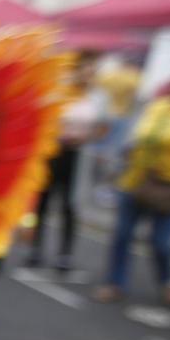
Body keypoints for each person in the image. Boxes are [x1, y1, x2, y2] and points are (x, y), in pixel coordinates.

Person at [93, 85, 170, 306]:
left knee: (161, 243)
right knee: (122, 234)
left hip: (169, 188)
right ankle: (115, 283)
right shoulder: (157, 107)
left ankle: (168, 282)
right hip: (135, 181)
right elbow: (134, 136)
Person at [26, 52, 106, 272]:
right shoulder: (59, 93)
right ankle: (35, 248)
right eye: (85, 67)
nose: (88, 73)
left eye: (93, 69)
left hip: (79, 156)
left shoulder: (97, 98)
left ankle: (65, 253)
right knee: (44, 201)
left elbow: (102, 128)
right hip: (54, 152)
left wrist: (86, 136)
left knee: (71, 205)